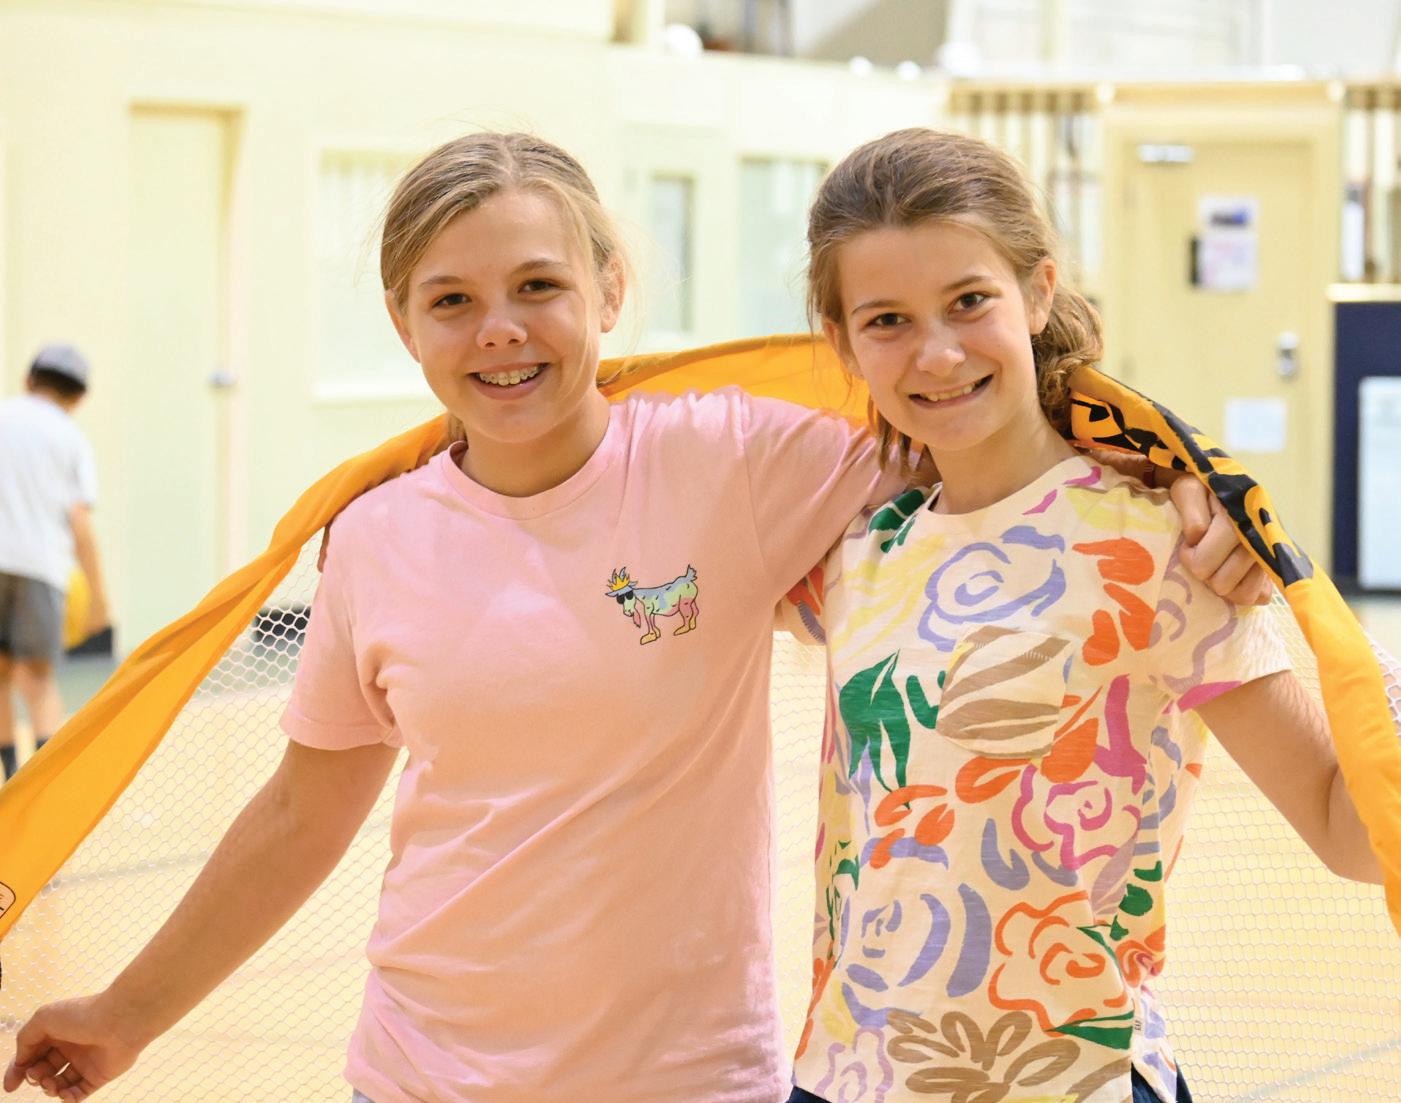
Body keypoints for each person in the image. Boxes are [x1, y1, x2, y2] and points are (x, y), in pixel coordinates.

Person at [2, 133, 1262, 1103]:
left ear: (609, 290)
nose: (500, 330)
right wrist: (127, 1012)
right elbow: (298, 815)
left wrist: (1185, 481)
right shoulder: (376, 538)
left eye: (538, 284)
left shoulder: (742, 463)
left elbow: (976, 431)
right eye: (451, 300)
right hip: (422, 1074)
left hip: (699, 1078)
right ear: (402, 323)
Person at [781, 128, 1384, 1103]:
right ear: (842, 339)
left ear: (1038, 292)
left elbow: (1339, 823)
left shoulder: (1159, 544)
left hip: (1072, 1077)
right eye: (887, 319)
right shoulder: (856, 545)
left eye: (969, 301)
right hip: (848, 1076)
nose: (938, 352)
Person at [0, 345, 109, 782]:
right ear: (78, 397)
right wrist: (98, 597)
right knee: (40, 680)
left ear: (29, 380)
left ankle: (10, 781)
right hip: (41, 568)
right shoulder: (69, 438)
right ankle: (45, 787)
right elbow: (78, 521)